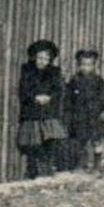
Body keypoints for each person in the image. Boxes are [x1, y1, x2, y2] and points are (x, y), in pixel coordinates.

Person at [16, 38, 67, 178]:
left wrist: (49, 97)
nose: (42, 61)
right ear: (34, 57)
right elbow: (23, 90)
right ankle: (33, 170)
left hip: (49, 113)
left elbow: (59, 90)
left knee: (51, 140)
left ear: (50, 59)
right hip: (32, 113)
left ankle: (48, 167)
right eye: (39, 57)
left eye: (45, 58)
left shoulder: (55, 72)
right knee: (33, 142)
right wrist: (34, 97)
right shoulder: (27, 71)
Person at [64, 49, 104, 171]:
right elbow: (68, 98)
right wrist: (69, 113)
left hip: (95, 116)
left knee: (96, 140)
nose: (85, 68)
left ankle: (97, 164)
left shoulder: (99, 81)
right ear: (78, 65)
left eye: (89, 65)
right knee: (80, 141)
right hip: (80, 116)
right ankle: (80, 164)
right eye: (83, 64)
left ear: (94, 66)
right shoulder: (74, 81)